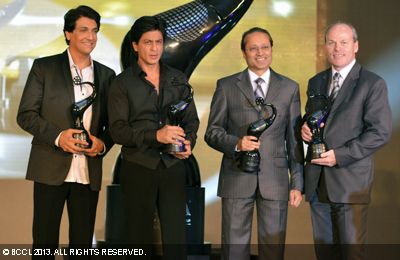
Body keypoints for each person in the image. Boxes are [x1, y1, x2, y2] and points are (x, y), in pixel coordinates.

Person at [16, 5, 115, 256]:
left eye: (94, 31)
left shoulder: (107, 75)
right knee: (44, 243)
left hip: (87, 172)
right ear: (68, 33)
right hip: (50, 167)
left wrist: (101, 144)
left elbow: (114, 126)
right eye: (83, 30)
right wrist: (59, 137)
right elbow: (26, 115)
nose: (90, 36)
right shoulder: (44, 68)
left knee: (82, 246)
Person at [204, 27, 304, 260]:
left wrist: (297, 183)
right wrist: (236, 143)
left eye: (265, 47)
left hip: (275, 180)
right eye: (253, 48)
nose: (260, 53)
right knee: (234, 250)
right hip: (236, 177)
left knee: (273, 250)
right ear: (243, 52)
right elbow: (212, 132)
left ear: (271, 49)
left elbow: (294, 139)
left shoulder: (289, 88)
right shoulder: (226, 86)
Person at [107, 16, 199, 259]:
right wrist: (156, 136)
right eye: (148, 42)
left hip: (173, 166)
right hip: (138, 166)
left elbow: (192, 121)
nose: (155, 48)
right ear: (136, 45)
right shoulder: (121, 83)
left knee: (176, 240)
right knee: (137, 239)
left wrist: (187, 143)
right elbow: (117, 130)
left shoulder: (177, 78)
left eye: (158, 42)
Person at [301, 22, 392, 260]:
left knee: (351, 254)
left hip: (350, 184)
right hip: (317, 183)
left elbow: (380, 132)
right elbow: (313, 118)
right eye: (331, 42)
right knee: (324, 254)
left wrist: (339, 155)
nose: (337, 48)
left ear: (356, 46)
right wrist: (303, 128)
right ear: (325, 46)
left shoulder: (372, 83)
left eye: (343, 42)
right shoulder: (316, 82)